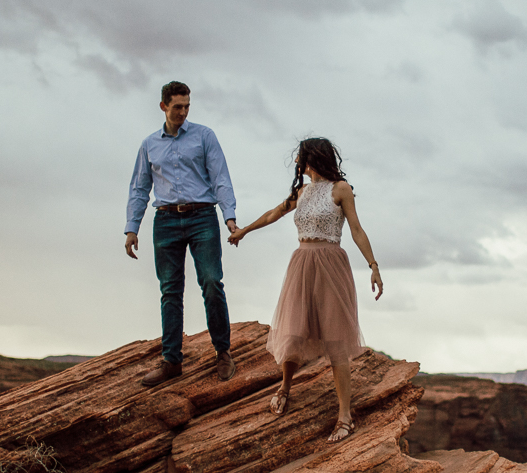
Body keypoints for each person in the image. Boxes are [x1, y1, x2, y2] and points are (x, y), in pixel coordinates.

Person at [227, 138, 382, 442]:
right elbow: (274, 213)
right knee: (293, 330)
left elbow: (356, 229)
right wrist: (244, 230)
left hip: (331, 264)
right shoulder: (302, 191)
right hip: (301, 262)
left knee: (336, 339)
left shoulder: (341, 189)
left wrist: (373, 265)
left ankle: (344, 416)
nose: (297, 162)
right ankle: (284, 387)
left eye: (301, 157)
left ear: (312, 159)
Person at [125, 81, 239, 386]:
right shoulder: (149, 144)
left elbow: (221, 178)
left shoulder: (204, 136)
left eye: (187, 106)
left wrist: (229, 216)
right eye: (178, 106)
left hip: (203, 216)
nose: (183, 112)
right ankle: (171, 361)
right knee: (170, 291)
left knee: (212, 282)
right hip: (165, 221)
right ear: (163, 106)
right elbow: (139, 188)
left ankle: (223, 352)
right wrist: (131, 228)